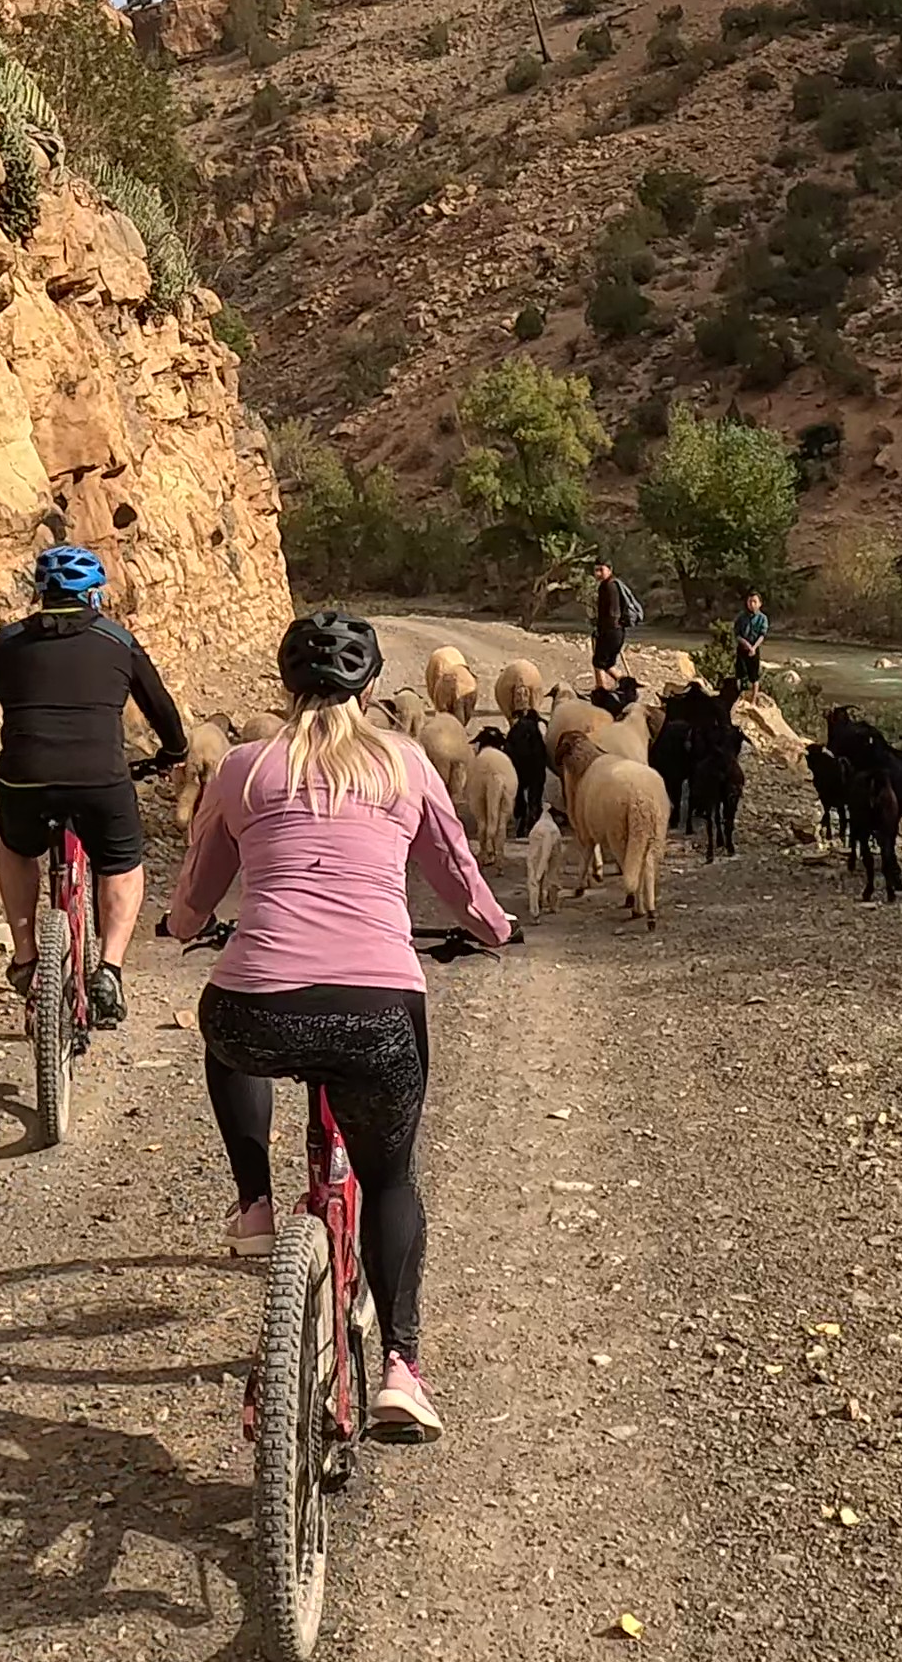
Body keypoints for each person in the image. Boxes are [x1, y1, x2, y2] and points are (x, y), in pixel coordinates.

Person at [163, 611, 516, 1442]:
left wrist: (182, 927)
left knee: (230, 1026)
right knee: (390, 1178)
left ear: (286, 687)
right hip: (376, 1013)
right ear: (369, 685)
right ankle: (401, 1367)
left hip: (258, 1012)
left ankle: (254, 1207)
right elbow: (458, 874)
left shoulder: (246, 768)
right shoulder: (405, 761)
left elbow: (196, 887)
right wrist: (495, 929)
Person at [0, 545, 186, 1030]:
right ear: (94, 596)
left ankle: (26, 955)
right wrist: (173, 754)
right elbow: (162, 709)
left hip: (24, 777)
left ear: (41, 595)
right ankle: (111, 970)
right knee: (121, 862)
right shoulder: (118, 640)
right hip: (101, 779)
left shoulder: (7, 641)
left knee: (16, 848)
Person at [588, 558, 641, 683]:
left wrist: (602, 630)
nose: (598, 574)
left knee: (599, 663)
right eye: (596, 570)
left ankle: (601, 689)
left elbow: (612, 613)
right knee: (606, 664)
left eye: (601, 570)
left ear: (610, 570)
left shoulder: (609, 587)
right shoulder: (609, 585)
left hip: (611, 631)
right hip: (616, 631)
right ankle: (626, 684)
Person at [733, 590, 770, 688]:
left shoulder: (763, 618)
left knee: (754, 676)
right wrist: (746, 645)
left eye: (754, 602)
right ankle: (739, 696)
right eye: (750, 602)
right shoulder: (741, 617)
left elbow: (762, 635)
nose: (752, 604)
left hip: (754, 648)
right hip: (742, 648)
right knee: (739, 675)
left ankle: (753, 700)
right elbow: (737, 634)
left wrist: (753, 647)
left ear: (760, 604)